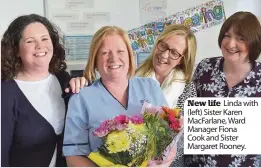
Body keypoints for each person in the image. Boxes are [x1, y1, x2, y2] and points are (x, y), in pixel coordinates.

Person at [67, 24, 198, 167]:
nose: (114, 59)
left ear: (129, 56)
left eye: (120, 51)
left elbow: (168, 143)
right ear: (95, 60)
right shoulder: (81, 98)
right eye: (105, 53)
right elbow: (74, 155)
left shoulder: (151, 86)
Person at [185, 11, 261, 167]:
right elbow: (187, 110)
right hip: (197, 163)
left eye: (241, 38)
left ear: (253, 42)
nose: (231, 44)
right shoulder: (205, 67)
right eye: (227, 35)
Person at [1, 14, 70, 167]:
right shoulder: (5, 93)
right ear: (16, 50)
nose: (40, 46)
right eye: (30, 41)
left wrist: (83, 83)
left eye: (45, 39)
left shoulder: (63, 79)